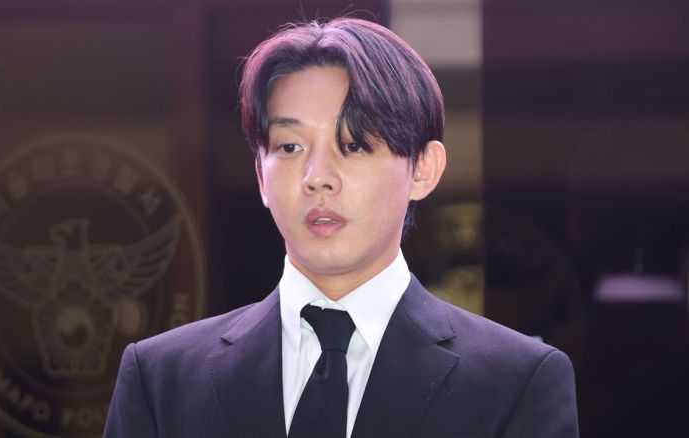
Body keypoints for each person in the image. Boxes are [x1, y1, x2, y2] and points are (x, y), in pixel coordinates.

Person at [104, 17, 579, 438]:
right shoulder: (161, 380)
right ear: (261, 176)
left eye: (353, 144)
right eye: (290, 147)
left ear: (423, 169)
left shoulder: (516, 383)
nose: (317, 177)